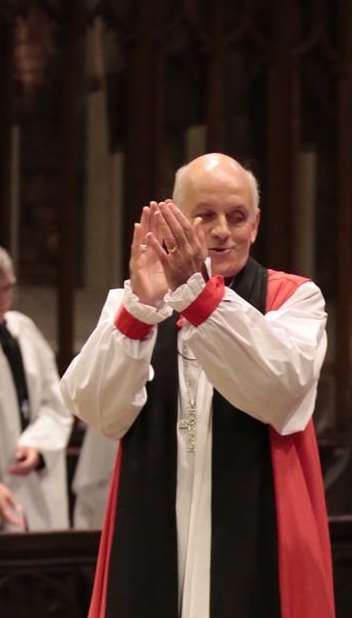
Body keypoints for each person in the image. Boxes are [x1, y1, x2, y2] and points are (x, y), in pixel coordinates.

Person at [61, 154, 334, 618]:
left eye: (237, 216)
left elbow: (278, 389)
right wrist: (140, 312)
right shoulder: (138, 301)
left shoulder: (293, 299)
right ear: (175, 219)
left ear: (257, 224)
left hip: (255, 525)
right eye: (205, 215)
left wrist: (198, 295)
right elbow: (97, 409)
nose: (223, 230)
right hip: (153, 523)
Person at [0, 246, 72, 531]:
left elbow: (56, 402)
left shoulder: (23, 330)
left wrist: (37, 445)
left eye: (6, 289)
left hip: (29, 484)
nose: (3, 300)